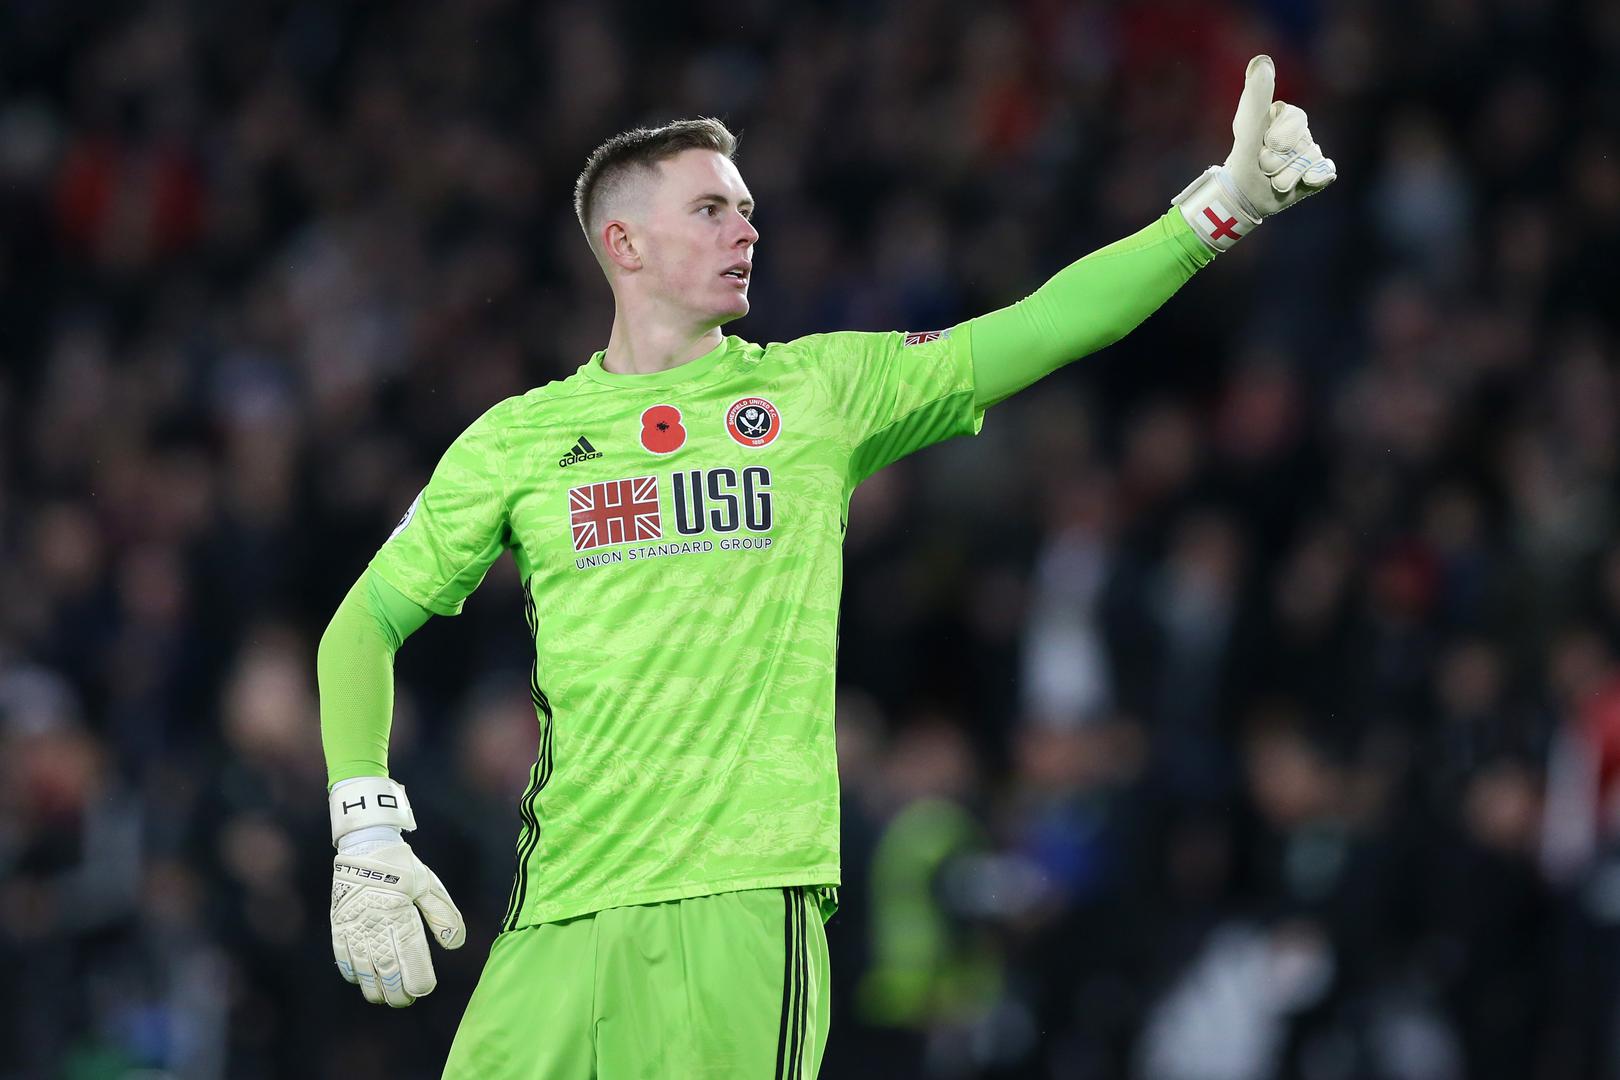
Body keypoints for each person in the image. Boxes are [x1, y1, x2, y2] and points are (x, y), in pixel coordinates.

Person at [317, 54, 1334, 1079]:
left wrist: (1223, 208)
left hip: (744, 904)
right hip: (558, 913)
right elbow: (362, 626)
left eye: (748, 209)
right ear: (623, 243)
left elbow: (1040, 327)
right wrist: (364, 829)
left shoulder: (818, 394)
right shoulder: (518, 439)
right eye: (712, 209)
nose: (747, 230)